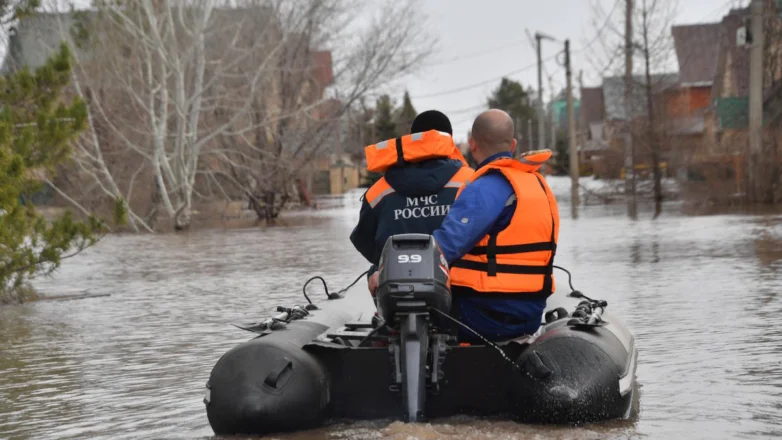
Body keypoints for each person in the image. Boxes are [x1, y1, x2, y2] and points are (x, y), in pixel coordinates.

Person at [433, 109, 560, 342]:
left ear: (472, 144)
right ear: (513, 145)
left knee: (415, 306)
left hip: (483, 314)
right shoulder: (537, 184)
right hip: (529, 314)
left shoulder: (484, 188)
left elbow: (443, 248)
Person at [350, 110, 474, 294]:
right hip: (459, 285)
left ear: (413, 139)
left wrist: (385, 263)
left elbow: (362, 240)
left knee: (376, 270)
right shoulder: (472, 181)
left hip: (395, 287)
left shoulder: (379, 189)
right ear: (449, 141)